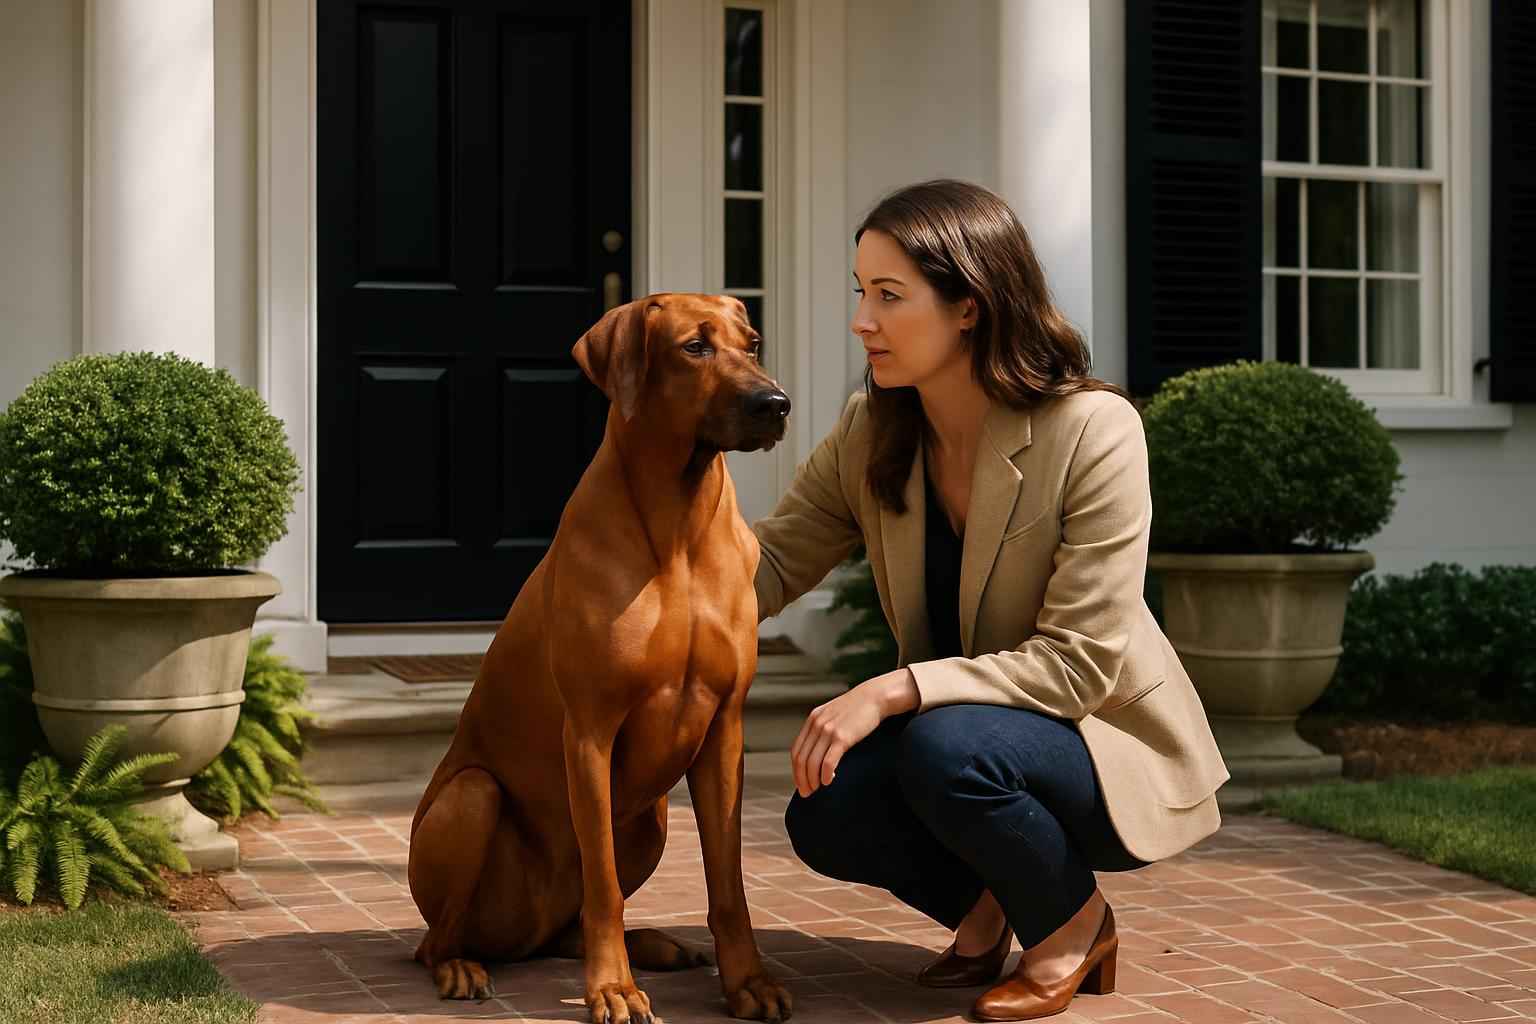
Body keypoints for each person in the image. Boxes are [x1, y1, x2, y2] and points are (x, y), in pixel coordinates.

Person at [750, 179, 1229, 1022]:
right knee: (825, 809)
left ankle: (1074, 924)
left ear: (968, 305)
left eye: (890, 297)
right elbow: (773, 561)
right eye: (861, 293)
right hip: (974, 738)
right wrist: (639, 590)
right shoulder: (873, 429)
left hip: (1103, 742)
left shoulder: (1094, 429)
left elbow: (1080, 665)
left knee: (942, 746)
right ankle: (992, 900)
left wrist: (893, 689)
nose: (864, 320)